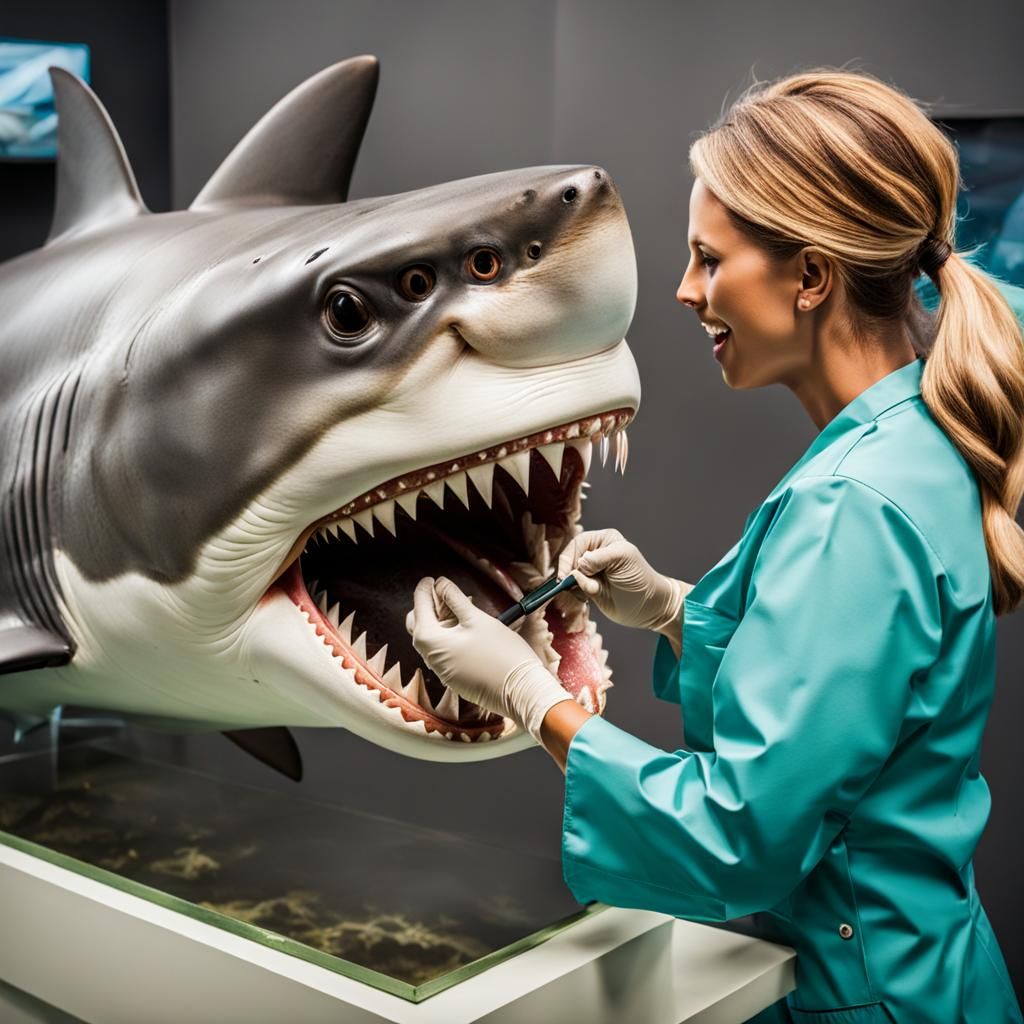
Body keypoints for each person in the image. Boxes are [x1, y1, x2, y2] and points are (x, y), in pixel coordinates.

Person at [406, 69, 1024, 1022]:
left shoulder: (852, 504)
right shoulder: (911, 442)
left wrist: (531, 698)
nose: (688, 293)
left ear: (811, 277)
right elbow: (852, 699)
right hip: (932, 968)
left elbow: (738, 837)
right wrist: (670, 608)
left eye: (707, 259)